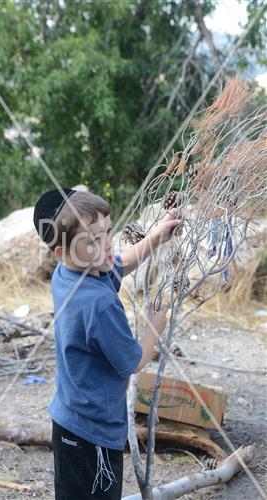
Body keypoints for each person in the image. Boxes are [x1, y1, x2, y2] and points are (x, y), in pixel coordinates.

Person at [33, 188, 182, 500]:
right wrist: (156, 324)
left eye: (108, 233)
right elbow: (133, 362)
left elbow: (119, 263)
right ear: (61, 251)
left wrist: (157, 237)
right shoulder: (98, 303)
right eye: (93, 241)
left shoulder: (69, 273)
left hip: (68, 421)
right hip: (93, 434)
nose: (107, 245)